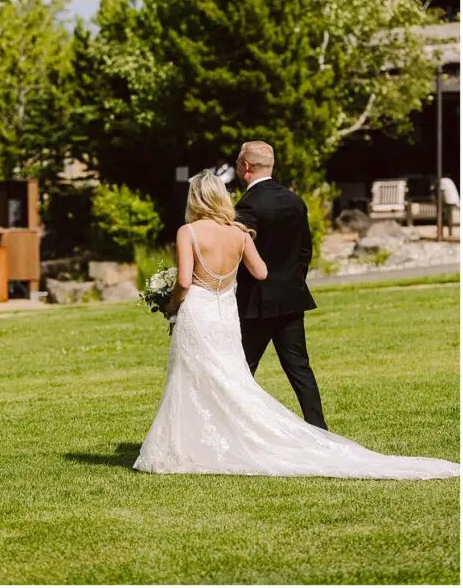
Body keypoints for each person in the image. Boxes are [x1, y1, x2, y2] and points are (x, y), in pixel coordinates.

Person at [133, 169, 460, 479]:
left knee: (191, 377)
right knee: (231, 377)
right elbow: (261, 272)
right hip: (225, 312)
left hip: (199, 312)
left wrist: (171, 304)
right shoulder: (238, 233)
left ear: (195, 199)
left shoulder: (187, 232)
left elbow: (185, 282)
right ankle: (218, 440)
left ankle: (190, 445)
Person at [233, 141, 325, 428]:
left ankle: (237, 429)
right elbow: (304, 252)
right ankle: (319, 429)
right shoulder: (294, 200)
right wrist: (291, 283)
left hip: (255, 304)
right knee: (300, 370)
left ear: (245, 166)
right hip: (291, 300)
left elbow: (241, 252)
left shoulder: (247, 206)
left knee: (242, 370)